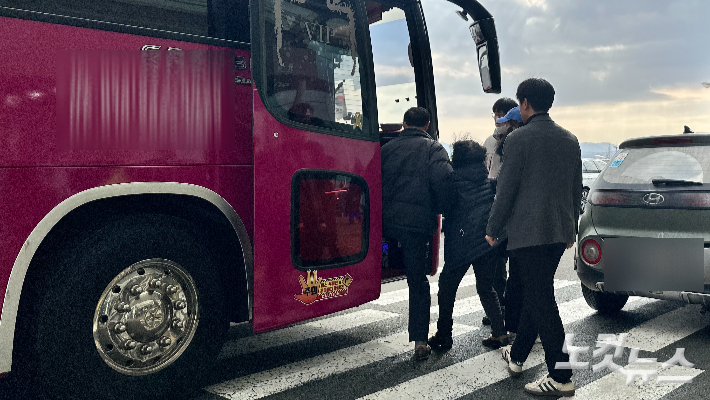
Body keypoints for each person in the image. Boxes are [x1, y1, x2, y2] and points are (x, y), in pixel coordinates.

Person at [485, 78, 582, 397]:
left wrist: (493, 227)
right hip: (557, 232)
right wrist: (572, 228)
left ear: (524, 103)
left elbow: (506, 189)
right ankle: (516, 358)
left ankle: (561, 375)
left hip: (528, 232)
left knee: (540, 297)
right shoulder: (570, 139)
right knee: (534, 291)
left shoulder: (518, 140)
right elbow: (575, 188)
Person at [381, 107, 452, 361]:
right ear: (428, 124)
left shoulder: (386, 149)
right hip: (416, 226)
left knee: (386, 257)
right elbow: (444, 182)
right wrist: (443, 210)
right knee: (417, 281)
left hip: (387, 224)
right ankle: (420, 341)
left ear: (403, 123)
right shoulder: (434, 149)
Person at [428, 139, 508, 352]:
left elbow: (443, 206)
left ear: (458, 159)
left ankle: (444, 334)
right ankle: (500, 332)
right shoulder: (488, 182)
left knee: (447, 287)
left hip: (461, 243)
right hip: (486, 243)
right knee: (486, 287)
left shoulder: (451, 182)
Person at [481, 98, 517, 328]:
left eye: (501, 114)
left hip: (512, 209)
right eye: (494, 114)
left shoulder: (516, 141)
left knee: (515, 263)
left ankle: (511, 308)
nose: (497, 119)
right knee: (496, 263)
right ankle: (498, 305)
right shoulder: (488, 141)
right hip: (493, 205)